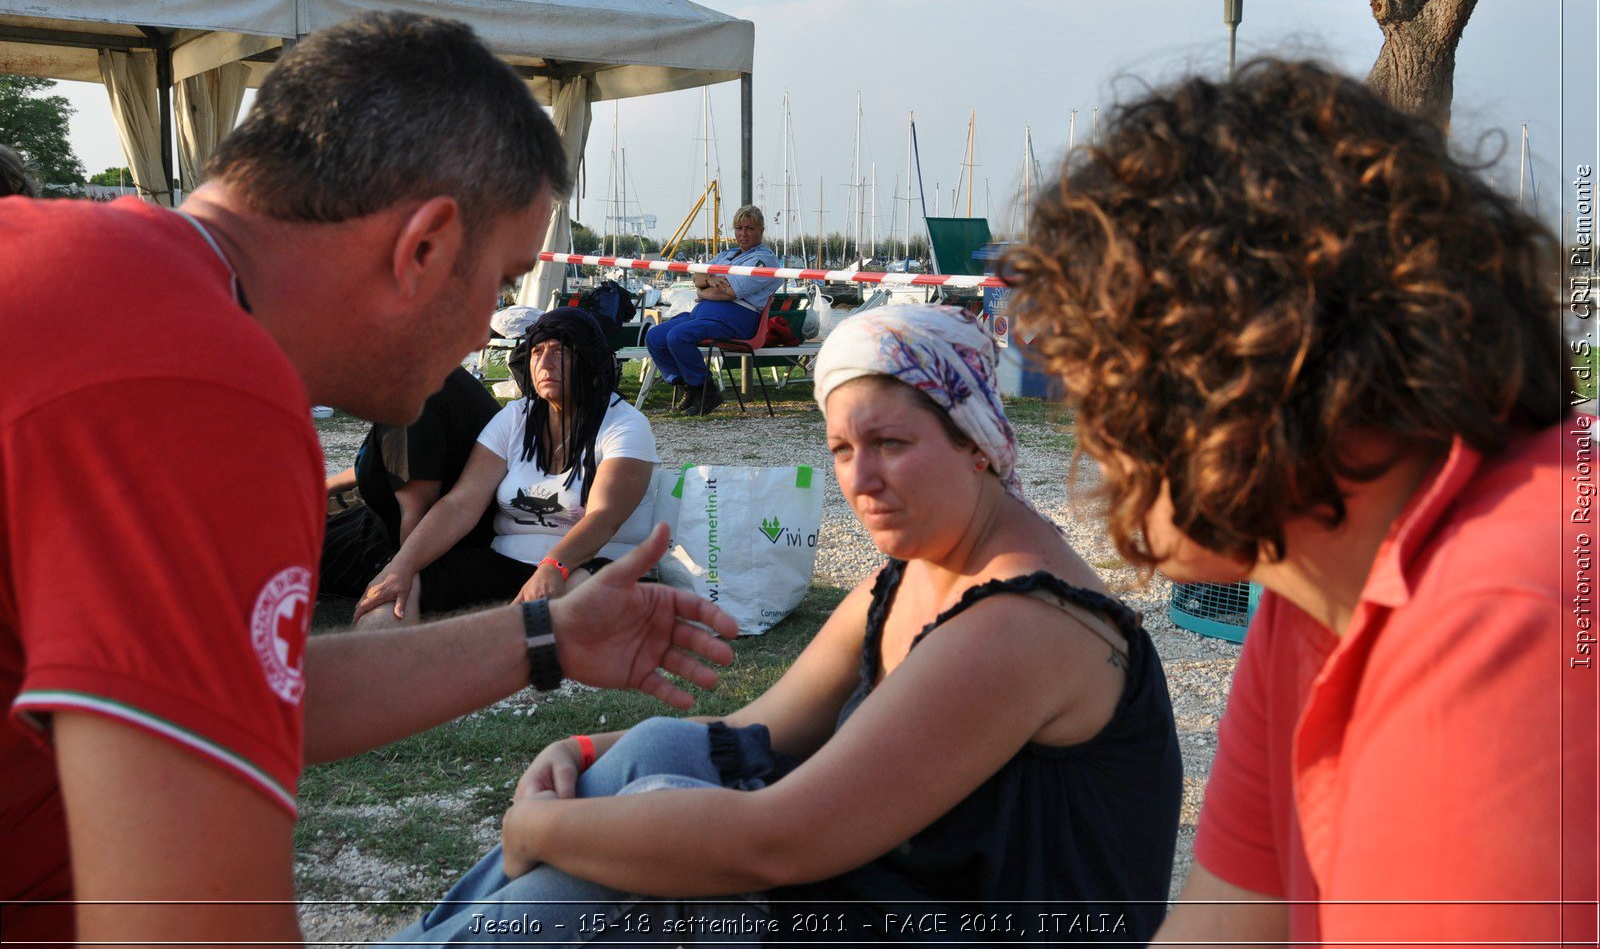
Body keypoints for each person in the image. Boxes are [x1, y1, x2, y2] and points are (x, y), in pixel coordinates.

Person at [0, 11, 739, 946]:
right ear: (424, 247)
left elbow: (234, 690)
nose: (489, 333)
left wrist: (547, 634)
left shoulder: (86, 280)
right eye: (503, 280)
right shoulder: (196, 379)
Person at [1001, 59, 1598, 945]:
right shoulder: (1312, 573)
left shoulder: (1508, 621)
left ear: (1231, 358)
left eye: (1102, 381)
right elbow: (1226, 921)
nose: (1088, 436)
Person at [390, 304, 1184, 946]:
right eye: (841, 448)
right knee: (655, 753)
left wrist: (545, 831)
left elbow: (775, 839)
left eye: (891, 443)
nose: (860, 479)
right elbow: (752, 729)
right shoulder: (911, 576)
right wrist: (582, 750)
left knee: (666, 843)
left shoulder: (1022, 621)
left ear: (976, 442)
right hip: (896, 899)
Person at [355, 307, 659, 624]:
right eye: (537, 352)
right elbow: (461, 504)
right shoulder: (515, 418)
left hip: (591, 563)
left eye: (560, 352)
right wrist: (401, 567)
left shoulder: (625, 424)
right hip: (506, 561)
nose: (545, 363)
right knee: (391, 602)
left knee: (579, 595)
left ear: (589, 361)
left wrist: (554, 567)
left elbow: (604, 516)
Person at [321, 366, 502, 600]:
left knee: (298, 552)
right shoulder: (430, 371)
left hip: (429, 543)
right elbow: (391, 461)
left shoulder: (409, 398)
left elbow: (417, 510)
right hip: (391, 509)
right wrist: (323, 487)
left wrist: (403, 577)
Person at [645, 204, 780, 414]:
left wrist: (702, 292)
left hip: (736, 320)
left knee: (678, 336)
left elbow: (729, 292)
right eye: (739, 228)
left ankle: (706, 390)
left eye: (750, 228)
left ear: (761, 230)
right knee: (655, 337)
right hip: (704, 316)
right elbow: (697, 277)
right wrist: (709, 278)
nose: (743, 233)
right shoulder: (727, 255)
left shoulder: (765, 261)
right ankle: (688, 387)